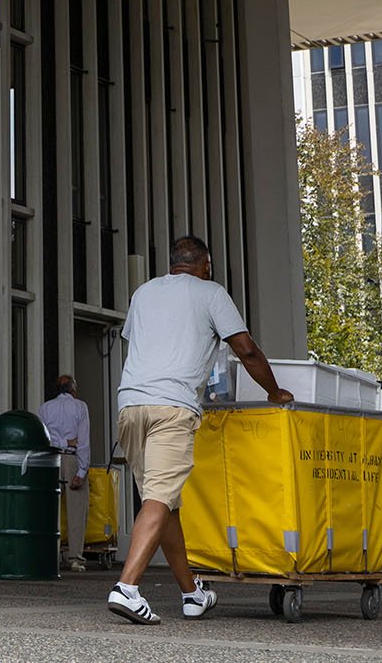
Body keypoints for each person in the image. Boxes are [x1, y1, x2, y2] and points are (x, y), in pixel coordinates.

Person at [108, 235, 292, 627]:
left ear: (173, 263)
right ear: (205, 264)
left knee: (165, 504)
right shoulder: (211, 293)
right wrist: (274, 391)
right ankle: (127, 588)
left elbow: (141, 344)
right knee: (158, 499)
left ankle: (192, 592)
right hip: (172, 408)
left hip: (130, 406)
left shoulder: (143, 293)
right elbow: (246, 349)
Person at [38, 375, 92, 572]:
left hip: (51, 459)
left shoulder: (45, 408)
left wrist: (59, 442)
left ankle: (50, 555)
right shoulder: (80, 407)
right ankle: (75, 558)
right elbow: (83, 441)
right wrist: (82, 470)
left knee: (50, 509)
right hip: (71, 459)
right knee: (76, 511)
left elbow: (43, 438)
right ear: (73, 389)